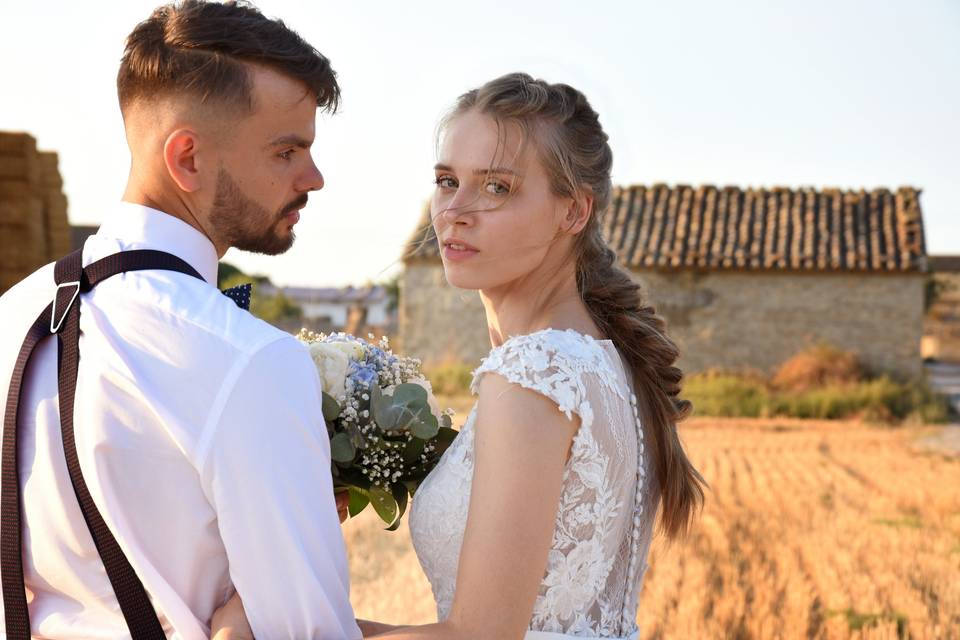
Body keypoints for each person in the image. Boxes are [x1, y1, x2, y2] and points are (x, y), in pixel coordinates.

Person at [212, 72, 705, 640]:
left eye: (497, 187)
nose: (454, 212)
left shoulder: (531, 377)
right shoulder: (601, 362)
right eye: (447, 181)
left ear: (573, 212)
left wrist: (278, 629)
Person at [0, 1, 360, 638]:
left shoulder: (9, 316)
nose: (316, 177)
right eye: (286, 151)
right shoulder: (247, 358)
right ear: (188, 158)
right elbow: (310, 631)